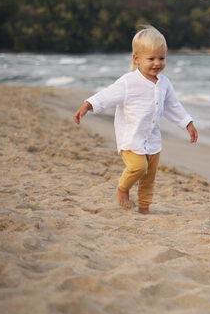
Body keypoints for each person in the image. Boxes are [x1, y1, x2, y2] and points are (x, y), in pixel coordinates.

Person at [73, 25, 198, 214]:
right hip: (131, 139)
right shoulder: (129, 82)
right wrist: (88, 105)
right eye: (151, 58)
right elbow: (107, 95)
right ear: (136, 58)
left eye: (162, 58)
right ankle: (122, 189)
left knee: (149, 177)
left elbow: (172, 106)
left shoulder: (164, 83)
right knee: (138, 167)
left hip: (153, 141)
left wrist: (187, 123)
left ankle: (144, 207)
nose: (157, 63)